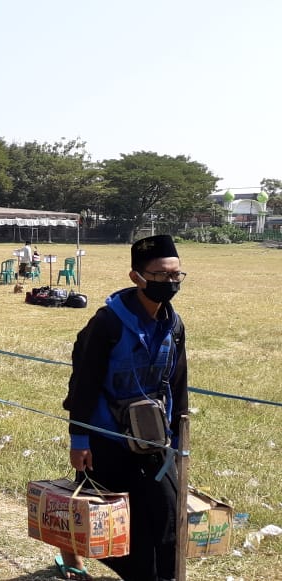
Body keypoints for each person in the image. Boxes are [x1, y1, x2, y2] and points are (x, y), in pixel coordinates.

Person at [58, 234, 188, 581]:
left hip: (154, 438)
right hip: (108, 437)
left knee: (168, 515)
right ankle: (87, 563)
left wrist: (177, 440)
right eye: (161, 275)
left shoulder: (173, 325)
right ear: (137, 277)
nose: (170, 282)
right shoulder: (108, 323)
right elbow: (83, 383)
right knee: (118, 520)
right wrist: (80, 439)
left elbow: (177, 383)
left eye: (176, 275)